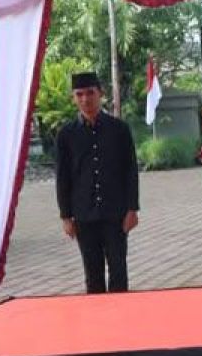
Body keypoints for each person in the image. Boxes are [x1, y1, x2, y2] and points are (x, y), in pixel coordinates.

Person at [54, 72, 139, 294]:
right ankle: (97, 324)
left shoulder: (119, 130)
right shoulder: (66, 135)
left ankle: (120, 319)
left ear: (100, 93)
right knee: (92, 275)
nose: (85, 99)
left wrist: (132, 209)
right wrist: (65, 216)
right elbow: (62, 177)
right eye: (79, 94)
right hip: (84, 215)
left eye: (90, 93)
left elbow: (130, 170)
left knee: (118, 269)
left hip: (116, 213)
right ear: (73, 97)